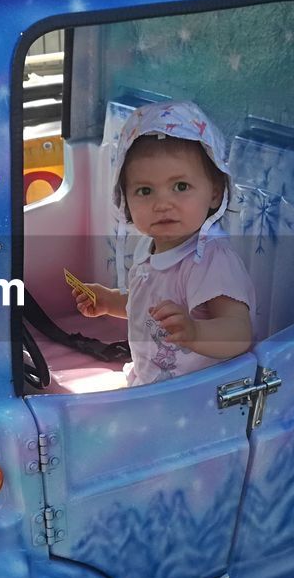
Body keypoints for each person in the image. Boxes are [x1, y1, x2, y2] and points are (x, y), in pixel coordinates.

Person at [72, 100, 254, 386]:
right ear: (125, 200)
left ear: (215, 193)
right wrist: (109, 301)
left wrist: (195, 332)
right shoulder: (152, 246)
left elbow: (238, 332)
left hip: (195, 399)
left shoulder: (209, 258)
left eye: (180, 187)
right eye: (145, 190)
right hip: (152, 386)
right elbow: (148, 310)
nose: (162, 204)